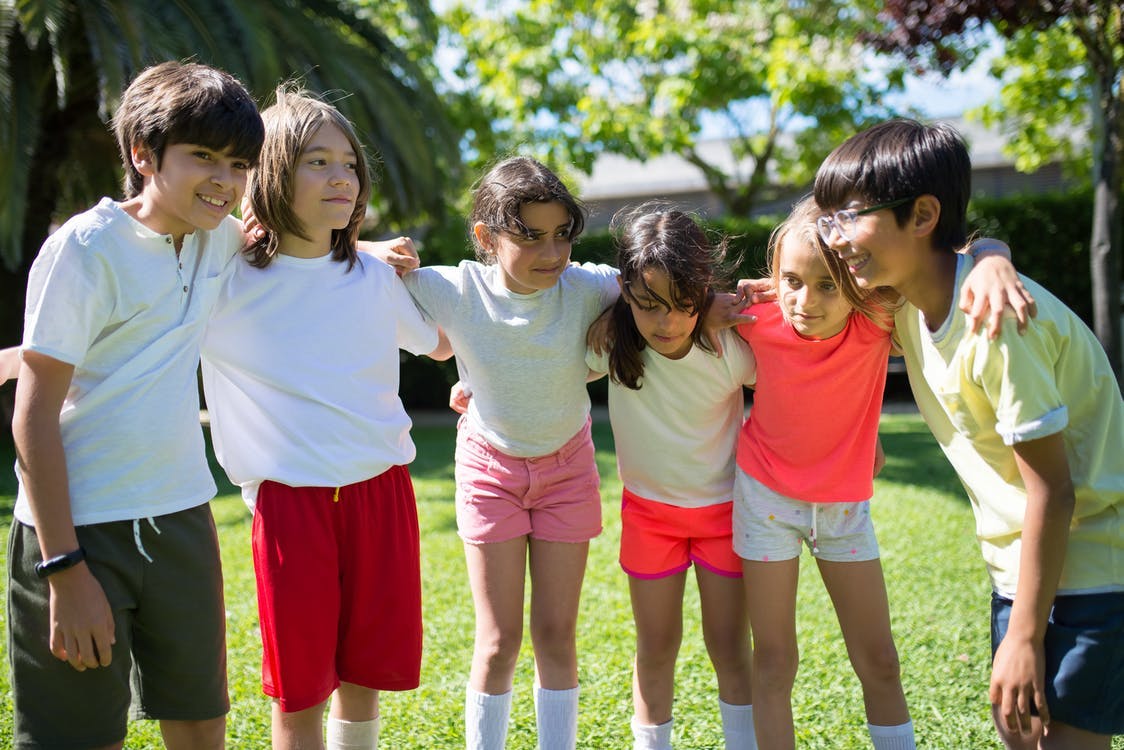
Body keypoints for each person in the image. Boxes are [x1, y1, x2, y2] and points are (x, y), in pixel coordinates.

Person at [813, 118, 1124, 750]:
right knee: (1019, 736)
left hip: (1094, 573)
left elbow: (1055, 492)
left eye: (847, 217)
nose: (834, 240)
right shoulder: (902, 304)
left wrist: (1027, 637)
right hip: (1017, 574)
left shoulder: (999, 324)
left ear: (923, 214)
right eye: (828, 220)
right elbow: (801, 294)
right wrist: (991, 250)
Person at [8, 61, 264, 750]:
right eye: (203, 157)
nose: (225, 180)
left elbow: (289, 248)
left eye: (239, 163)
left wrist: (373, 249)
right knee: (79, 737)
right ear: (142, 155)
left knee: (200, 721)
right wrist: (64, 569)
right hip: (77, 530)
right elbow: (31, 418)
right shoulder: (85, 250)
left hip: (180, 515)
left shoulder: (218, 236)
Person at [199, 86, 448, 750]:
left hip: (382, 494)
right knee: (301, 689)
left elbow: (443, 342)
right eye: (317, 161)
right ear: (272, 172)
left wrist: (413, 274)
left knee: (365, 676)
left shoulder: (371, 277)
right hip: (290, 507)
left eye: (349, 163)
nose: (343, 177)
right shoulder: (222, 277)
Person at [383, 156, 619, 750]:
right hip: (489, 470)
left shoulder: (589, 288)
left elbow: (663, 285)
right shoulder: (454, 288)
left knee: (557, 633)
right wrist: (374, 247)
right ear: (487, 238)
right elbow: (340, 268)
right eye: (532, 236)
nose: (553, 251)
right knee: (498, 639)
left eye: (563, 233)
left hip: (568, 469)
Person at [585, 206, 757, 749]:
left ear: (703, 291)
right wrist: (471, 383)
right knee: (655, 647)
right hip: (649, 518)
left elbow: (804, 318)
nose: (666, 322)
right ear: (624, 289)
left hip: (725, 517)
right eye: (648, 304)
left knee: (729, 648)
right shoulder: (610, 342)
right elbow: (533, 343)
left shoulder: (731, 348)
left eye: (683, 305)